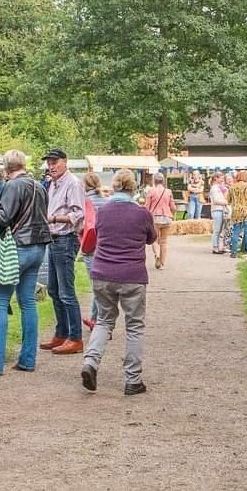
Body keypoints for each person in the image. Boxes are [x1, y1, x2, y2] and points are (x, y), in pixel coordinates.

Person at [0, 149, 51, 375]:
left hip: (17, 248)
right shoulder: (39, 186)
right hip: (38, 247)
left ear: (6, 168)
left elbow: (4, 217)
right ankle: (27, 359)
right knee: (27, 302)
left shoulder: (13, 186)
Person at [80, 169, 156, 396]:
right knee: (134, 327)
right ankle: (132, 380)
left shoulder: (103, 212)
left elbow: (96, 235)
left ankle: (90, 363)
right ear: (133, 189)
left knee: (103, 321)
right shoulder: (142, 214)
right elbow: (151, 238)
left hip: (102, 272)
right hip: (132, 275)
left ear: (113, 187)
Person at [40, 147, 86, 355]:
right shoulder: (52, 184)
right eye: (49, 162)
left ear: (65, 162)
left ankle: (75, 337)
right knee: (53, 289)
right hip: (54, 238)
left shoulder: (73, 183)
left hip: (65, 238)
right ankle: (61, 333)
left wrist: (54, 219)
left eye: (55, 162)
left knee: (66, 292)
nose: (51, 166)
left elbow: (79, 214)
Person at [81, 172, 109, 329]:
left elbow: (81, 225)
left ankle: (101, 322)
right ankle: (95, 318)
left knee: (97, 287)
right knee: (101, 286)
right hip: (105, 247)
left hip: (90, 247)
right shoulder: (106, 202)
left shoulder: (85, 202)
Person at [144, 173, 176, 270]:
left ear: (154, 181)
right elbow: (173, 207)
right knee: (164, 241)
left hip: (155, 218)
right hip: (166, 218)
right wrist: (173, 214)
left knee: (155, 240)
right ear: (163, 181)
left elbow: (146, 206)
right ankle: (162, 263)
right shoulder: (168, 191)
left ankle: (157, 255)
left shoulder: (151, 191)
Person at [227, 170, 247, 259]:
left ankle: (233, 252)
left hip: (236, 212)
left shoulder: (232, 187)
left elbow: (228, 200)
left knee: (236, 232)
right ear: (245, 177)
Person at [208, 173, 229, 254]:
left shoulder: (218, 187)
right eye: (221, 178)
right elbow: (216, 200)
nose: (222, 180)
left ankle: (219, 246)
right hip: (217, 210)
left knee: (220, 230)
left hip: (220, 209)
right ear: (216, 178)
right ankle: (215, 247)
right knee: (217, 230)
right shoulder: (214, 188)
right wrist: (226, 202)